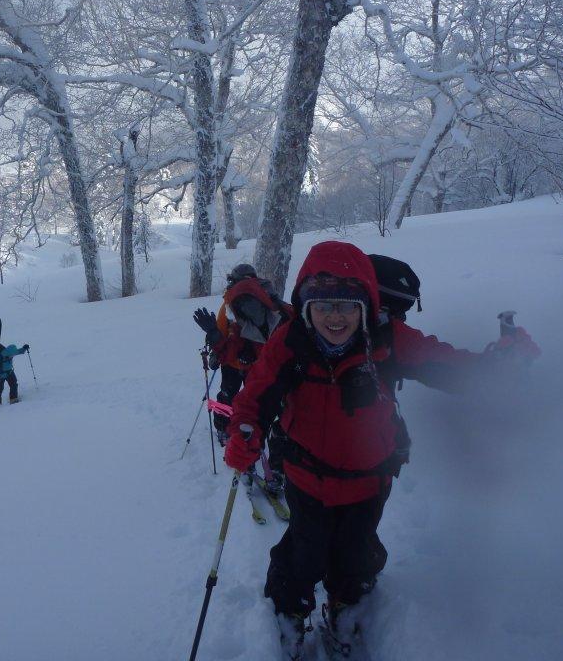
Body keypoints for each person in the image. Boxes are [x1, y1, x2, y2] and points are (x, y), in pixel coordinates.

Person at [222, 241, 539, 660]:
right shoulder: (289, 343)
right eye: (324, 306)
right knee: (304, 552)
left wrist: (496, 368)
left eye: (348, 307)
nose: (336, 317)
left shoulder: (389, 341)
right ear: (306, 307)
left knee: (356, 554)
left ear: (366, 308)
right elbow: (256, 394)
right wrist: (245, 431)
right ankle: (289, 614)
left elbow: (447, 364)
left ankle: (345, 609)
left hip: (368, 481)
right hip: (305, 477)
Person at [192, 263, 291, 447]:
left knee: (249, 398)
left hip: (253, 365)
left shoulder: (264, 305)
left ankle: (248, 429)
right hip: (233, 362)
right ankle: (225, 428)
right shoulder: (230, 304)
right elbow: (224, 333)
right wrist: (215, 343)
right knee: (229, 396)